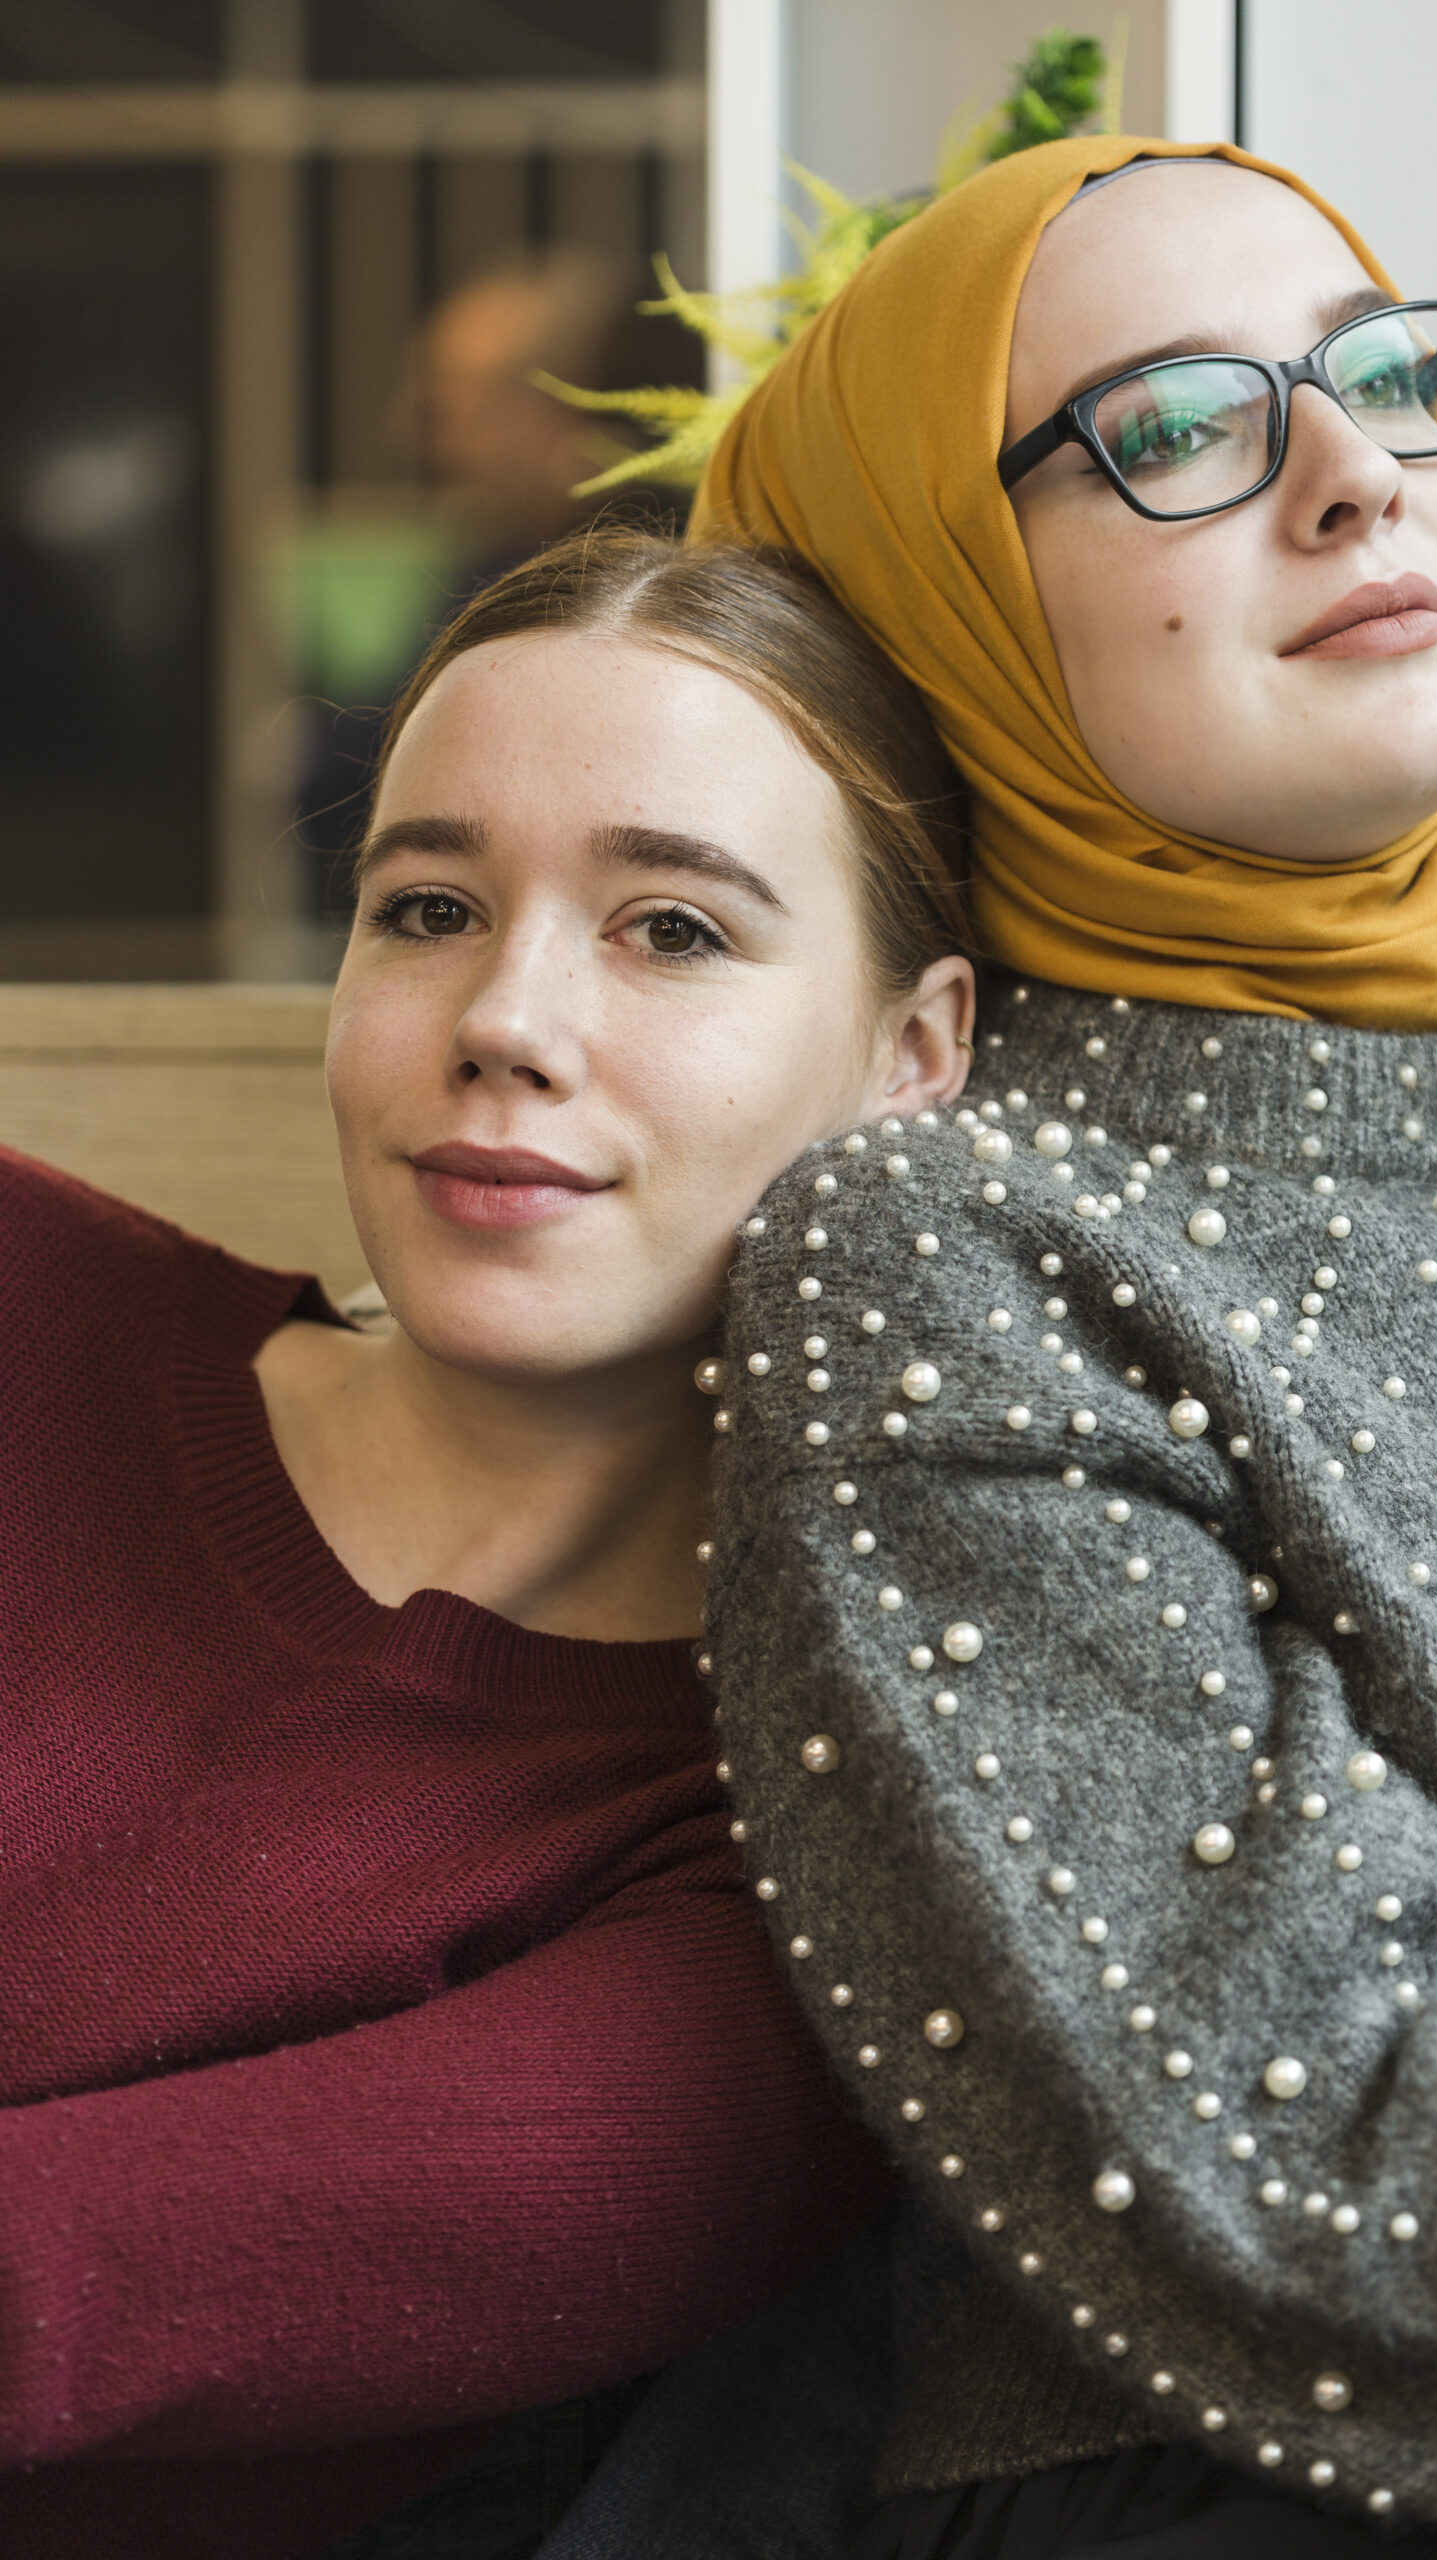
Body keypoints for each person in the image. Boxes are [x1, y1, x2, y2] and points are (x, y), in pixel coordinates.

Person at [670, 136, 1437, 2555]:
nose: (1349, 471)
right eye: (1171, 427)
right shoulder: (941, 1249)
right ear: (937, 609)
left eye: (1371, 374)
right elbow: (1329, 2158)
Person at [0, 526, 977, 2560]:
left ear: (914, 1054)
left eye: (673, 930)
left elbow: (53, 2292)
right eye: (426, 904)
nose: (506, 1015)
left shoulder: (792, 1869)